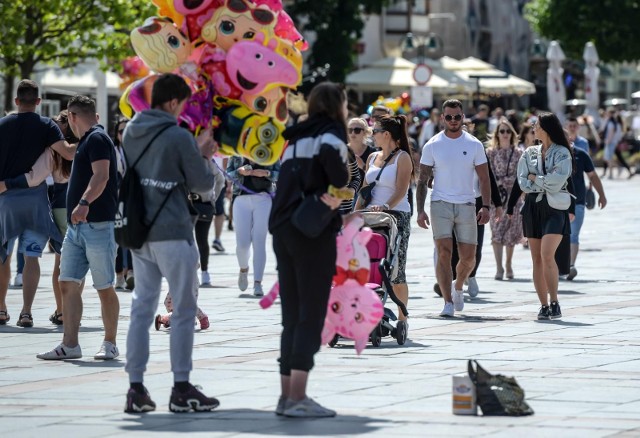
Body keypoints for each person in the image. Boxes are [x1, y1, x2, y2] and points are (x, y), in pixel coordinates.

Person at [121, 73, 219, 413]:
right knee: (184, 310)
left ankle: (135, 388)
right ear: (174, 102)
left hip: (139, 232)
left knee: (142, 308)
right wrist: (204, 153)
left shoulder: (131, 130)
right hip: (173, 231)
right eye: (185, 104)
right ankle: (181, 388)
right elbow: (203, 184)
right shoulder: (177, 136)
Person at [268, 81, 348, 418]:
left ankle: (287, 396)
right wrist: (341, 195)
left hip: (282, 227)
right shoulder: (331, 136)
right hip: (311, 231)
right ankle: (298, 397)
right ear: (337, 105)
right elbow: (340, 179)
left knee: (291, 316)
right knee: (311, 315)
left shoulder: (295, 136)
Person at [36, 95, 120, 360]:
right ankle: (70, 344)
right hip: (76, 229)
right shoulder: (87, 140)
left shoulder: (96, 139)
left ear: (72, 116)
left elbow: (102, 175)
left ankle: (110, 343)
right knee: (67, 283)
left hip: (96, 225)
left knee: (104, 286)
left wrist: (84, 202)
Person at [0, 79, 75, 327]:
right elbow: (66, 152)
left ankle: (1, 309)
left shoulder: (3, 124)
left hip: (4, 199)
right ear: (39, 102)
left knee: (4, 256)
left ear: (16, 101)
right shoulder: (46, 126)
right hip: (35, 201)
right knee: (31, 257)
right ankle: (26, 312)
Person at [416, 99, 490, 318]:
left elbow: (484, 178)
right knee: (443, 253)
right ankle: (447, 301)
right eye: (449, 117)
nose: (454, 121)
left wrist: (485, 205)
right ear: (442, 118)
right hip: (440, 203)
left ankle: (459, 286)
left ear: (463, 117)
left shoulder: (474, 144)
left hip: (467, 203)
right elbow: (422, 180)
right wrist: (420, 210)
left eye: (457, 116)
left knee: (469, 258)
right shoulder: (432, 145)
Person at [356, 114, 413, 336]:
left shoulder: (403, 158)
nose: (372, 135)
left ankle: (402, 318)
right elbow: (364, 189)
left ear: (386, 135)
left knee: (396, 269)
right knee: (366, 265)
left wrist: (386, 205)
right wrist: (354, 214)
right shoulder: (372, 158)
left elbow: (401, 190)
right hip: (370, 217)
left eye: (375, 132)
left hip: (395, 215)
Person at [516, 112, 573, 320]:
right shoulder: (529, 152)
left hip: (555, 208)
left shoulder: (563, 153)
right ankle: (543, 305)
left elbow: (557, 182)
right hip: (532, 207)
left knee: (547, 255)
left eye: (536, 124)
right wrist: (540, 180)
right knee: (536, 259)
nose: (533, 128)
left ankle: (555, 300)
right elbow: (522, 181)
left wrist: (535, 178)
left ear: (546, 128)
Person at [226, 156, 279, 296]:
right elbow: (227, 174)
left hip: (264, 198)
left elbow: (280, 173)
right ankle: (244, 269)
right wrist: (239, 171)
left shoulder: (269, 150)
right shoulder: (237, 153)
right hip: (241, 198)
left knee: (259, 240)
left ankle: (257, 283)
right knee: (242, 244)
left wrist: (267, 173)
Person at [566, 127, 608, 281]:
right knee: (560, 236)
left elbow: (593, 176)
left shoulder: (580, 154)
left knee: (573, 235)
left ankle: (570, 265)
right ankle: (558, 265)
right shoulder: (551, 155)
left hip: (578, 201)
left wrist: (601, 195)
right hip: (556, 204)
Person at [486, 118, 524, 280]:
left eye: (508, 131)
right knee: (496, 232)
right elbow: (489, 174)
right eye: (502, 131)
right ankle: (499, 267)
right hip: (497, 198)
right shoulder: (490, 153)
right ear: (497, 134)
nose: (505, 134)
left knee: (511, 233)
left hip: (514, 197)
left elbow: (522, 174)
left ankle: (508, 263)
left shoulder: (519, 153)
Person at [112, 117, 134, 291]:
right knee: (119, 237)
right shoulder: (114, 151)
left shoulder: (138, 150)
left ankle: (133, 273)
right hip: (118, 199)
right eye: (120, 131)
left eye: (127, 130)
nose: (124, 134)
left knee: (134, 236)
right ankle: (119, 274)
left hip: (135, 199)